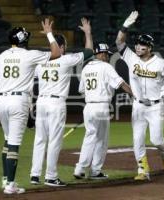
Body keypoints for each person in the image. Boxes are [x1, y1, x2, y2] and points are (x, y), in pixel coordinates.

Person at [0, 18, 61, 194]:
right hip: (18, 102)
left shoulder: (0, 57)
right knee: (14, 143)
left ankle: (6, 180)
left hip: (1, 100)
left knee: (7, 139)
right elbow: (56, 53)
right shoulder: (30, 55)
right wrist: (49, 33)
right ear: (23, 40)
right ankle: (10, 186)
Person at [116, 11, 164, 181]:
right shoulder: (131, 58)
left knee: (156, 140)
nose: (138, 47)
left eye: (142, 45)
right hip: (138, 105)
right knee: (137, 139)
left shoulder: (160, 63)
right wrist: (125, 24)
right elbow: (119, 42)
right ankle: (143, 170)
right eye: (138, 44)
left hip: (155, 106)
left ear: (149, 48)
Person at [29, 18, 93, 187]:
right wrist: (87, 33)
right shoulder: (66, 59)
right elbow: (89, 52)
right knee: (54, 141)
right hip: (56, 104)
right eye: (64, 45)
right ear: (62, 47)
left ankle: (35, 175)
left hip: (41, 103)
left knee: (40, 139)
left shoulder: (41, 63)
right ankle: (51, 176)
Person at [73, 42, 134, 179]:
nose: (107, 57)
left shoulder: (86, 68)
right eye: (106, 54)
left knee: (90, 136)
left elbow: (81, 90)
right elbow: (121, 83)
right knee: (101, 140)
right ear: (100, 54)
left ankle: (80, 168)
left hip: (88, 106)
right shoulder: (106, 67)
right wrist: (135, 95)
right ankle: (94, 170)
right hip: (101, 106)